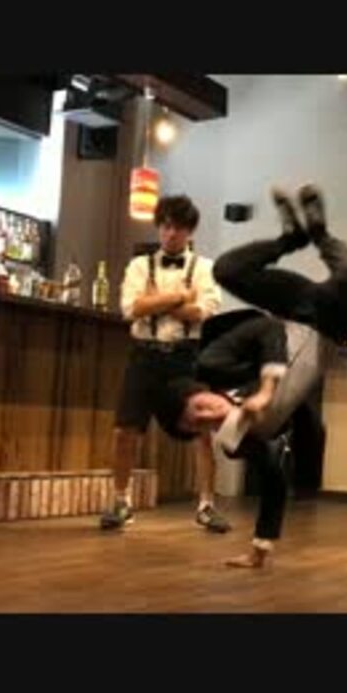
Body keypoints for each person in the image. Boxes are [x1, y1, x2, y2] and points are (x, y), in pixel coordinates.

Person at [173, 184, 347, 567]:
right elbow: (274, 480)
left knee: (226, 270)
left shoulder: (213, 367)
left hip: (295, 310)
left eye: (200, 407)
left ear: (198, 393)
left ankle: (291, 238)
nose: (210, 414)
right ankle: (321, 235)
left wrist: (264, 388)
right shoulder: (239, 438)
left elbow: (265, 331)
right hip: (333, 324)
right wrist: (259, 549)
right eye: (203, 424)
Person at [99, 194, 231, 534]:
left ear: (190, 231)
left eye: (179, 228)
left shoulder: (204, 267)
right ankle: (121, 502)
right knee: (124, 430)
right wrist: (178, 297)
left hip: (185, 357)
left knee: (202, 429)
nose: (171, 233)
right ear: (159, 227)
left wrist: (154, 301)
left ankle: (206, 505)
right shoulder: (139, 266)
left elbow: (203, 312)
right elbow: (131, 309)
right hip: (143, 355)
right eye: (166, 226)